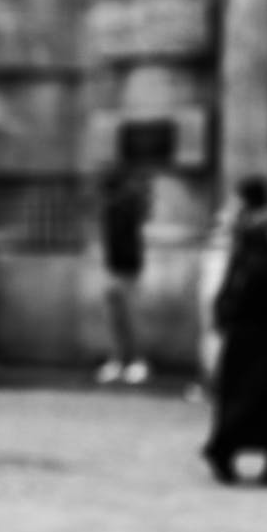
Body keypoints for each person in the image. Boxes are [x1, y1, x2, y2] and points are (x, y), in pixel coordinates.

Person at [202, 176, 267, 484]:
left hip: (254, 329)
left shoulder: (252, 232)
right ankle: (266, 458)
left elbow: (239, 278)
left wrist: (224, 312)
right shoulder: (263, 230)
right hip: (264, 330)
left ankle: (226, 452)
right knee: (266, 398)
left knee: (246, 397)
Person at [94, 165, 151, 386]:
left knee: (127, 318)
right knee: (119, 318)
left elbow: (126, 241)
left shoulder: (122, 206)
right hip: (119, 268)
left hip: (123, 269)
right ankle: (121, 360)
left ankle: (133, 361)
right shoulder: (117, 207)